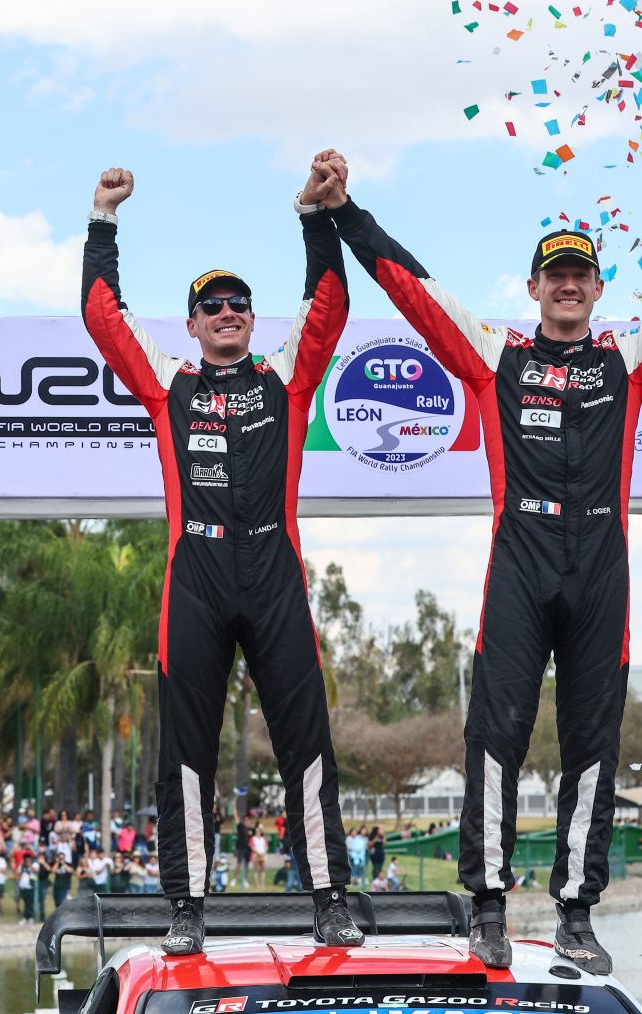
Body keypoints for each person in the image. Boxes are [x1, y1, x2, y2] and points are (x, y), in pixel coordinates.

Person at [313, 153, 642, 975]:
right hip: (521, 563)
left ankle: (576, 914)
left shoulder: (624, 359)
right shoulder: (497, 355)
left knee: (593, 743)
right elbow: (413, 289)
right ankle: (488, 905)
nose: (569, 285)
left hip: (601, 568)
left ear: (598, 289)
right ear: (534, 287)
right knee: (496, 733)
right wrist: (346, 213)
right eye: (555, 275)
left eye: (581, 275)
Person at [81, 152, 364, 955]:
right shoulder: (168, 383)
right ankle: (186, 905)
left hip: (274, 575)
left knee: (306, 739)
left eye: (238, 303)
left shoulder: (284, 378)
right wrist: (104, 219)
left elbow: (329, 307)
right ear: (194, 325)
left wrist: (316, 217)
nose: (228, 312)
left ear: (251, 318)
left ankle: (330, 899)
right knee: (186, 750)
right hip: (196, 579)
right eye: (212, 305)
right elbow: (103, 316)